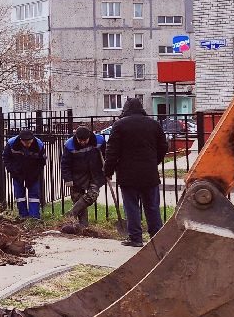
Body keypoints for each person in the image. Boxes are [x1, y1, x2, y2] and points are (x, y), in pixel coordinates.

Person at [103, 96, 169, 247]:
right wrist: (154, 161)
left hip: (128, 175)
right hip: (149, 174)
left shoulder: (119, 125)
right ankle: (157, 237)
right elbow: (163, 146)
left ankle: (136, 239)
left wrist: (108, 170)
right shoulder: (154, 124)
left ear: (125, 109)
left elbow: (112, 151)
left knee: (131, 207)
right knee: (152, 206)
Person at [60, 126, 106, 223]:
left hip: (95, 174)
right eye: (80, 140)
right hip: (76, 175)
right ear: (76, 137)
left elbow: (106, 155)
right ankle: (83, 226)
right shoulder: (69, 145)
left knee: (92, 195)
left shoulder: (99, 140)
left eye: (85, 140)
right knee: (77, 198)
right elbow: (65, 164)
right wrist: (68, 179)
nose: (82, 142)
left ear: (89, 136)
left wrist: (108, 170)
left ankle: (72, 213)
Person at [4, 129, 47, 220]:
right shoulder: (11, 144)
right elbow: (6, 158)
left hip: (33, 174)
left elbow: (42, 161)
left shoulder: (39, 145)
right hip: (17, 173)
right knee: (19, 195)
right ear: (21, 140)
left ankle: (34, 217)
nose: (28, 145)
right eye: (26, 143)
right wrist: (12, 170)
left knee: (34, 196)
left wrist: (36, 173)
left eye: (30, 142)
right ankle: (23, 215)